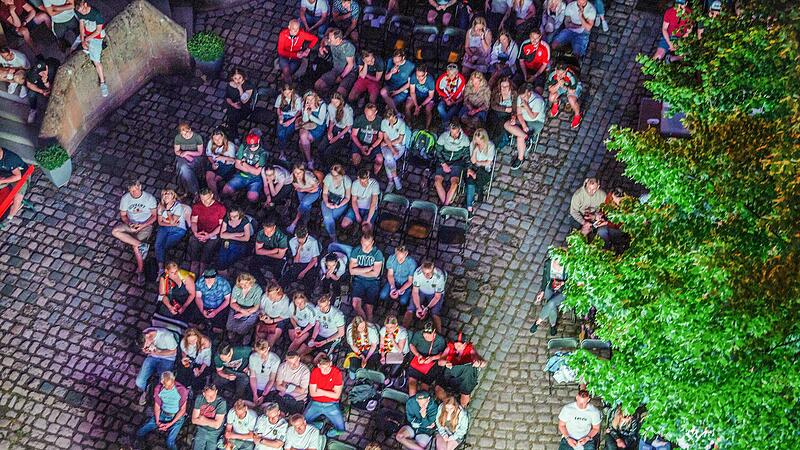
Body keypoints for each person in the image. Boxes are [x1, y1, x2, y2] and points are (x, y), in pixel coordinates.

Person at [112, 179, 157, 281]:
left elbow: (154, 216)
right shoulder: (125, 199)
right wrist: (129, 223)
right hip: (132, 224)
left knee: (135, 246)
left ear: (140, 187)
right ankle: (142, 245)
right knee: (115, 231)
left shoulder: (149, 199)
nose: (134, 193)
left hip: (145, 225)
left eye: (136, 190)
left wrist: (142, 225)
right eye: (132, 191)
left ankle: (140, 271)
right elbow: (123, 216)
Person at [135, 371, 188, 450]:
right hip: (162, 415)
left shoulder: (181, 390)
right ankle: (138, 445)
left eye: (171, 384)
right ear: (162, 383)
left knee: (170, 441)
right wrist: (157, 422)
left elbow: (183, 410)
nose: (170, 387)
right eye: (167, 386)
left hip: (176, 417)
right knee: (140, 432)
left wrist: (170, 424)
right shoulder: (158, 389)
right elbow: (157, 406)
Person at [437, 332, 486, 406]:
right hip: (451, 372)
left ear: (465, 344)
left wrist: (479, 363)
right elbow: (440, 362)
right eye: (456, 343)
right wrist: (446, 362)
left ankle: (462, 408)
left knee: (465, 394)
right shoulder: (449, 348)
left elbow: (482, 361)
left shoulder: (470, 349)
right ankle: (448, 404)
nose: (458, 345)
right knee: (438, 389)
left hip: (465, 375)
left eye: (461, 343)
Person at [504, 82, 545, 169]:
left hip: (535, 121)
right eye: (521, 97)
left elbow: (533, 116)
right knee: (507, 124)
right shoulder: (520, 97)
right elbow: (519, 113)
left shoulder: (538, 100)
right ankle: (526, 137)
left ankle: (520, 158)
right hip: (523, 119)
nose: (522, 99)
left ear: (529, 93)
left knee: (519, 137)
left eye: (524, 97)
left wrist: (526, 107)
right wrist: (522, 124)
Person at [135, 327, 179, 406]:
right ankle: (147, 391)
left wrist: (159, 353)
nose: (146, 347)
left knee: (162, 382)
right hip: (152, 356)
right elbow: (143, 348)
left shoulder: (166, 336)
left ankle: (158, 396)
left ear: (148, 336)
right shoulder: (144, 333)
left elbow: (174, 352)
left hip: (168, 358)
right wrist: (146, 350)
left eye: (146, 345)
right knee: (139, 382)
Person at [304, 354, 346, 437]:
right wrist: (329, 393)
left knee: (341, 429)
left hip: (332, 403)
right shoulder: (315, 372)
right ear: (319, 365)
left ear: (330, 363)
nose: (325, 370)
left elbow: (336, 396)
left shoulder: (337, 373)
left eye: (327, 367)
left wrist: (321, 391)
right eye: (322, 367)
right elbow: (312, 393)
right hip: (315, 402)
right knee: (303, 422)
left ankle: (324, 429)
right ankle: (318, 424)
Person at [188, 189, 226, 275]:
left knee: (205, 260)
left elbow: (221, 226)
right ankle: (193, 268)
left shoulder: (220, 208)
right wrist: (195, 232)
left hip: (212, 234)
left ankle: (202, 273)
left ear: (212, 196)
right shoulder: (197, 206)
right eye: (202, 199)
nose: (204, 202)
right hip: (200, 232)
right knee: (193, 244)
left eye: (207, 199)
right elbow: (194, 222)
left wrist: (209, 235)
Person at [348, 232, 384, 321]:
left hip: (373, 282)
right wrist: (369, 268)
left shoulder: (377, 253)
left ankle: (369, 325)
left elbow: (375, 273)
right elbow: (351, 271)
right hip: (358, 281)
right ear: (361, 241)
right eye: (363, 244)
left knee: (369, 308)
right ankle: (365, 326)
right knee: (355, 304)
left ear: (372, 243)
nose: (365, 248)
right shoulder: (356, 251)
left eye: (368, 245)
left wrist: (358, 270)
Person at [403, 261, 446, 333]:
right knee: (410, 308)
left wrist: (427, 308)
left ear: (433, 270)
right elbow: (415, 292)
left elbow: (437, 296)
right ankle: (403, 330)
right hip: (421, 291)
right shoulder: (417, 273)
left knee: (434, 313)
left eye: (429, 273)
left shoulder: (439, 276)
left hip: (434, 293)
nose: (426, 275)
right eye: (424, 273)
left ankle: (438, 334)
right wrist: (418, 307)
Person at [75, 0, 107, 96]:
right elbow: (81, 26)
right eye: (80, 12)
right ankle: (88, 50)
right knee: (73, 49)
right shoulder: (80, 11)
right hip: (87, 34)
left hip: (96, 37)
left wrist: (86, 40)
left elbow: (98, 31)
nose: (82, 13)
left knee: (96, 61)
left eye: (83, 10)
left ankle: (103, 83)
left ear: (85, 4)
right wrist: (82, 39)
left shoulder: (96, 15)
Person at [223, 133, 268, 203]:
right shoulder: (243, 147)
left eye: (254, 146)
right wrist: (252, 169)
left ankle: (255, 204)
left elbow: (257, 173)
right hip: (241, 175)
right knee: (226, 190)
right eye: (250, 146)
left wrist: (244, 164)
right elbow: (237, 165)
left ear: (258, 141)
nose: (252, 149)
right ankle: (233, 200)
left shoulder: (263, 153)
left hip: (255, 179)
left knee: (252, 197)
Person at [434, 121, 470, 206]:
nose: (454, 136)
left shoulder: (465, 139)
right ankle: (445, 204)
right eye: (452, 133)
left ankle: (445, 205)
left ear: (460, 131)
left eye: (456, 133)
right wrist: (443, 164)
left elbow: (466, 155)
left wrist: (468, 167)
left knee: (455, 184)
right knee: (437, 182)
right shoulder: (444, 136)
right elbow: (438, 151)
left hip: (456, 162)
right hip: (443, 160)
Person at [529, 253, 567, 335]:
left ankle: (537, 322)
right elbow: (545, 279)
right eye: (557, 262)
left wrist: (562, 283)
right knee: (551, 305)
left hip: (564, 291)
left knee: (551, 303)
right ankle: (553, 325)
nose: (559, 265)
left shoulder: (568, 266)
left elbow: (573, 282)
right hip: (550, 287)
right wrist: (542, 291)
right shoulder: (548, 263)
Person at [155, 189, 191, 270]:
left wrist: (168, 210)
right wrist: (169, 224)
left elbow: (172, 221)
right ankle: (161, 268)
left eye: (169, 194)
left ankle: (166, 268)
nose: (166, 195)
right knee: (157, 245)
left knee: (164, 247)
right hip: (164, 227)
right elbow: (160, 222)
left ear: (173, 198)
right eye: (165, 194)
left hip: (178, 229)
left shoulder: (178, 207)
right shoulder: (160, 206)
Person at [407, 322, 446, 395]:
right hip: (419, 358)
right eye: (425, 334)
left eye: (429, 335)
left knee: (424, 386)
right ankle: (412, 400)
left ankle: (423, 401)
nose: (427, 337)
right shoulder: (418, 334)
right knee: (412, 383)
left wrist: (432, 358)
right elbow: (412, 345)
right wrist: (418, 355)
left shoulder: (440, 340)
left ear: (434, 331)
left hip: (433, 362)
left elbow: (443, 354)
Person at [315, 28, 357, 96]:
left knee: (339, 93)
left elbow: (350, 65)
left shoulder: (348, 47)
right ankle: (330, 93)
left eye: (330, 39)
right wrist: (322, 47)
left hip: (349, 72)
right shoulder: (331, 41)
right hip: (336, 70)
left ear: (337, 39)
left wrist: (341, 77)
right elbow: (324, 41)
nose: (329, 40)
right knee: (318, 85)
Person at [226, 273, 264, 344]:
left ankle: (247, 333)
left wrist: (244, 313)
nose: (244, 286)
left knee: (243, 328)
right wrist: (241, 310)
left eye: (246, 283)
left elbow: (256, 307)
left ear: (250, 281)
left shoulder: (257, 290)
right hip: (237, 307)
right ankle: (232, 333)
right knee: (229, 326)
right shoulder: (237, 288)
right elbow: (232, 303)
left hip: (251, 309)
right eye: (242, 284)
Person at [378, 108, 410, 193]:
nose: (390, 121)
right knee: (389, 157)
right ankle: (395, 178)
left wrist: (390, 145)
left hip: (398, 145)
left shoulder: (401, 124)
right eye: (388, 119)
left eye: (391, 118)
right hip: (387, 145)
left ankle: (391, 181)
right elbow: (386, 137)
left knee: (388, 159)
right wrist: (392, 149)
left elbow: (399, 139)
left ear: (394, 116)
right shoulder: (384, 122)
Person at [278, 20, 319, 84]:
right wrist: (295, 54)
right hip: (285, 56)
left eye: (297, 29)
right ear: (289, 27)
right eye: (293, 28)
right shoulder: (283, 34)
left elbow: (315, 39)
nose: (295, 31)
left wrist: (308, 49)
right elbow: (280, 51)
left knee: (288, 71)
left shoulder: (302, 34)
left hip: (296, 58)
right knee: (286, 70)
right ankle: (289, 84)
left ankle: (284, 78)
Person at [318, 92, 354, 168]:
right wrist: (330, 131)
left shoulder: (347, 110)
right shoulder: (331, 106)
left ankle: (331, 166)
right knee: (321, 147)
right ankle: (323, 163)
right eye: (332, 102)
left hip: (344, 132)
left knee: (329, 151)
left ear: (340, 101)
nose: (334, 104)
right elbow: (332, 120)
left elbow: (348, 126)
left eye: (336, 102)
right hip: (334, 128)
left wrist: (336, 138)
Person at [251, 219, 290, 286]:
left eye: (270, 232)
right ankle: (263, 284)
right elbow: (257, 251)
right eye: (266, 231)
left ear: (274, 227)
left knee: (279, 272)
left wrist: (264, 252)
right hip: (269, 253)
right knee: (252, 264)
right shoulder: (261, 233)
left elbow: (280, 256)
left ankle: (277, 286)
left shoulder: (282, 237)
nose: (267, 234)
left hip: (277, 258)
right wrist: (273, 251)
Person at [464, 128, 495, 213]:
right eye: (476, 140)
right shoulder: (473, 145)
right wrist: (475, 151)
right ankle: (469, 207)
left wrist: (478, 163)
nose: (477, 143)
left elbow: (488, 162)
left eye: (479, 141)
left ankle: (468, 202)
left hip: (484, 171)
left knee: (472, 180)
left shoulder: (490, 146)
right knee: (470, 179)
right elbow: (472, 161)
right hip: (474, 167)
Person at [283, 225, 321, 292]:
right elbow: (296, 261)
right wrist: (298, 249)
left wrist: (303, 272)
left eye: (303, 238)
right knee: (288, 275)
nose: (301, 241)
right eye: (299, 238)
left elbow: (314, 260)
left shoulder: (313, 242)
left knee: (309, 281)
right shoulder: (292, 241)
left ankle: (307, 296)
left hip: (310, 263)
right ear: (295, 235)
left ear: (307, 235)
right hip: (299, 262)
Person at [193, 268, 232, 333]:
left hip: (219, 306)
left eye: (212, 277)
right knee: (193, 324)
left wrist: (216, 311)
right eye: (207, 277)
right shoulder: (200, 282)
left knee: (218, 329)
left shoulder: (223, 283)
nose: (209, 280)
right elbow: (198, 297)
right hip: (204, 304)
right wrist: (202, 310)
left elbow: (227, 300)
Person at [216, 208, 254, 274]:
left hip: (240, 243)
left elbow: (246, 238)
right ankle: (223, 271)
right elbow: (222, 235)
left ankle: (225, 270)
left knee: (232, 253)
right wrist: (237, 234)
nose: (234, 218)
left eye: (236, 216)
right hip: (227, 242)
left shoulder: (245, 221)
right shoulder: (226, 220)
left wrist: (229, 236)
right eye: (232, 216)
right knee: (222, 255)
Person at [172, 123, 204, 198]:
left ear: (190, 130)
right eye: (183, 134)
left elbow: (200, 152)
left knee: (183, 171)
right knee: (183, 168)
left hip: (195, 156)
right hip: (183, 156)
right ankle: (195, 191)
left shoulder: (197, 137)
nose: (185, 136)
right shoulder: (178, 138)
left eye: (186, 133)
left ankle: (185, 189)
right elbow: (177, 151)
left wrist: (187, 152)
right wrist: (185, 155)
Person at [547, 62, 584, 128]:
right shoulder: (552, 74)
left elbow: (572, 90)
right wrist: (559, 84)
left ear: (566, 70)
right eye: (558, 73)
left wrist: (564, 86)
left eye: (562, 73)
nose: (560, 75)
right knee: (551, 98)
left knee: (571, 99)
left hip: (572, 86)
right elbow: (551, 89)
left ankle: (577, 115)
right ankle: (556, 103)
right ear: (555, 70)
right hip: (561, 85)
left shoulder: (571, 75)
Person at [321, 164, 352, 241]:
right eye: (332, 174)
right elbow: (324, 193)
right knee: (328, 217)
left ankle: (325, 223)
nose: (333, 177)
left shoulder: (346, 180)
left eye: (336, 175)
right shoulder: (328, 177)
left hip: (341, 202)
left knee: (328, 218)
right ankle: (333, 236)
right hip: (328, 199)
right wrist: (327, 203)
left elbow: (347, 198)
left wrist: (338, 206)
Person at [176, 327, 213, 392]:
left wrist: (200, 371)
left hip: (201, 364)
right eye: (190, 341)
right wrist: (184, 358)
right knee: (181, 372)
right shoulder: (184, 342)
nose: (192, 342)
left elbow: (206, 360)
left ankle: (192, 390)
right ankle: (182, 388)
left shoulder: (205, 343)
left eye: (194, 340)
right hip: (190, 361)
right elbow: (184, 352)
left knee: (195, 378)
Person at [192, 384, 227, 450]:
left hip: (214, 432)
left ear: (216, 392)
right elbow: (194, 420)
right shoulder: (200, 398)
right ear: (204, 394)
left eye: (213, 395)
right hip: (201, 430)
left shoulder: (221, 402)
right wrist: (211, 422)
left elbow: (217, 425)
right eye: (208, 395)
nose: (211, 398)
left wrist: (203, 419)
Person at [297, 91, 327, 169]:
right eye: (308, 100)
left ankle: (306, 159)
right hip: (307, 125)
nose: (310, 102)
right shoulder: (304, 104)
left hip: (318, 128)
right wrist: (306, 111)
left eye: (312, 99)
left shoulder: (322, 105)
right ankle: (309, 160)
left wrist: (311, 115)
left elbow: (320, 122)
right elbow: (305, 120)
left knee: (301, 142)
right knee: (303, 138)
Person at [205, 129, 238, 199]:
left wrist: (222, 158)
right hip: (215, 162)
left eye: (219, 138)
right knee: (209, 179)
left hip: (227, 164)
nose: (217, 141)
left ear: (223, 137)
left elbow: (234, 160)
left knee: (215, 180)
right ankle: (216, 197)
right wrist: (213, 163)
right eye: (215, 139)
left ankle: (215, 198)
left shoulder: (230, 146)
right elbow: (209, 155)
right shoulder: (210, 143)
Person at [288, 163, 321, 233]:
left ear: (303, 171)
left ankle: (294, 222)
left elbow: (316, 188)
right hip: (301, 190)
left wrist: (304, 190)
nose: (297, 175)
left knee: (304, 203)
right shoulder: (292, 177)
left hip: (313, 192)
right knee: (305, 205)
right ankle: (305, 222)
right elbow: (296, 186)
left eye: (299, 173)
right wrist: (301, 190)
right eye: (295, 172)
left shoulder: (309, 177)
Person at [256, 282, 291, 347]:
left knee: (270, 341)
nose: (269, 297)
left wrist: (272, 321)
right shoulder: (265, 297)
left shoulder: (285, 301)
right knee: (259, 337)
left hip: (278, 320)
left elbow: (284, 316)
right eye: (268, 295)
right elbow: (261, 308)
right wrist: (262, 315)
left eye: (271, 296)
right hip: (266, 317)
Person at [594, 187, 629, 253]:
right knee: (601, 232)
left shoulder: (627, 206)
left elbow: (622, 224)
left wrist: (607, 223)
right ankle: (606, 247)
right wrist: (600, 214)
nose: (613, 201)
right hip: (610, 221)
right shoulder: (610, 196)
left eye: (617, 202)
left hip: (620, 227)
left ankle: (616, 244)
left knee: (608, 232)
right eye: (613, 199)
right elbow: (605, 207)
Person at [248, 340, 281, 407]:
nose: (262, 356)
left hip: (269, 389)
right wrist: (255, 394)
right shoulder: (253, 357)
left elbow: (272, 379)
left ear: (268, 348)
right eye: (259, 353)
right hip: (255, 387)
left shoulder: (275, 359)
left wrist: (263, 395)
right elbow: (252, 376)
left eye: (264, 352)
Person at [350, 103, 383, 169]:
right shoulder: (360, 119)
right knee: (355, 159)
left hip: (374, 143)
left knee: (379, 159)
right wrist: (361, 147)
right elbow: (354, 135)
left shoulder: (380, 121)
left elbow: (380, 138)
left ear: (375, 112)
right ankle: (358, 172)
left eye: (370, 115)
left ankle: (375, 174)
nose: (368, 117)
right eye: (366, 115)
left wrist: (371, 148)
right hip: (360, 141)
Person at [275, 84, 303, 160]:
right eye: (285, 93)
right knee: (281, 134)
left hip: (293, 117)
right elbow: (278, 109)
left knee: (287, 133)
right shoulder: (280, 97)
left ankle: (283, 144)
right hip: (283, 115)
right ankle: (282, 152)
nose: (287, 95)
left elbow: (299, 111)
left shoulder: (297, 98)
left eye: (289, 93)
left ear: (292, 91)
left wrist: (291, 120)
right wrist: (280, 116)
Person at [24, 58, 56, 124]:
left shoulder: (53, 68)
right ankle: (33, 110)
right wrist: (41, 91)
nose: (43, 74)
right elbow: (29, 84)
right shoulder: (33, 72)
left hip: (51, 85)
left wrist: (46, 82)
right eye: (40, 72)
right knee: (31, 94)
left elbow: (54, 86)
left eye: (44, 71)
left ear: (46, 67)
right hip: (40, 86)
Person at [405, 64, 436, 129]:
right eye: (417, 76)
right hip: (417, 95)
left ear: (425, 74)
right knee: (407, 106)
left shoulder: (430, 81)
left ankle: (426, 128)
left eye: (420, 76)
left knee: (428, 109)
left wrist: (421, 106)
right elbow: (412, 92)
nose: (418, 78)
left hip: (427, 97)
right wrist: (416, 105)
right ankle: (409, 124)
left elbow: (430, 96)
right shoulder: (413, 77)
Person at [379, 314, 409, 379]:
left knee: (393, 373)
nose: (388, 329)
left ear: (396, 325)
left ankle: (400, 373)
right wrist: (382, 356)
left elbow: (400, 350)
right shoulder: (383, 330)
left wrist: (392, 339)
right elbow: (382, 345)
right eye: (387, 327)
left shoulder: (402, 332)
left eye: (391, 327)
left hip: (399, 354)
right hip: (388, 352)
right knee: (380, 369)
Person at [225, 68, 256, 134]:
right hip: (233, 105)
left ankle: (233, 135)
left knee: (232, 119)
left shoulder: (248, 86)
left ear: (243, 77)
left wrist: (240, 89)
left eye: (239, 78)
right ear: (232, 78)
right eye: (235, 78)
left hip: (244, 107)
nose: (238, 80)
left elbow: (244, 101)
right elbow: (227, 97)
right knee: (232, 116)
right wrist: (233, 104)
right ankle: (234, 136)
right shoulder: (230, 84)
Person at [488, 77, 516, 141]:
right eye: (502, 86)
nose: (504, 88)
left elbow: (514, 108)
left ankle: (495, 145)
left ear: (510, 86)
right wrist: (505, 109)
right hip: (496, 112)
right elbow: (493, 105)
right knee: (491, 125)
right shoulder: (496, 91)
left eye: (506, 86)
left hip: (507, 115)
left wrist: (513, 117)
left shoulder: (514, 94)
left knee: (500, 127)